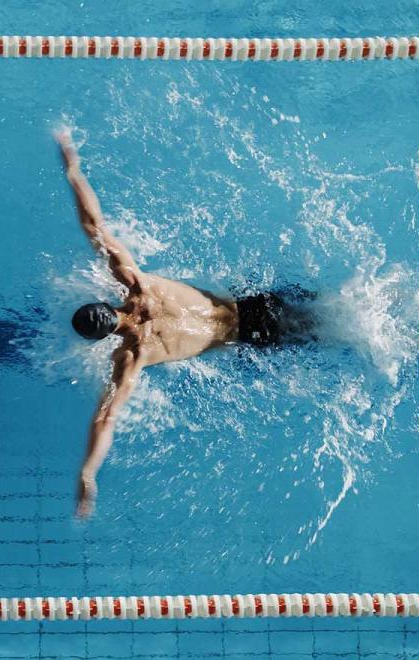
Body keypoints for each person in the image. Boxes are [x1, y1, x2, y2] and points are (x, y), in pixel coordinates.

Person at [56, 127, 310, 518]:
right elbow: (96, 227)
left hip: (255, 337)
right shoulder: (137, 284)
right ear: (104, 299)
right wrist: (72, 168)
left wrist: (88, 472)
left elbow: (106, 418)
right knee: (334, 311)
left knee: (327, 335)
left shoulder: (132, 356)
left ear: (101, 338)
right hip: (256, 305)